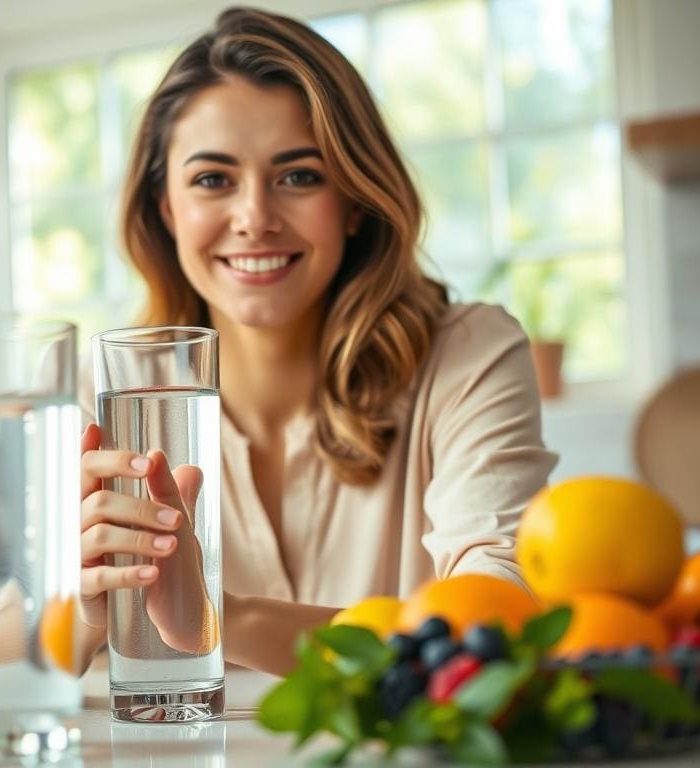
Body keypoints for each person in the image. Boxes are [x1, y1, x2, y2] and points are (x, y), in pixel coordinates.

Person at [77, 6, 557, 677]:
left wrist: (220, 617)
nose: (255, 218)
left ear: (355, 200)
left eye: (300, 175)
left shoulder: (469, 356)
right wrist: (79, 610)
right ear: (166, 208)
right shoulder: (109, 391)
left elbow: (496, 625)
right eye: (213, 179)